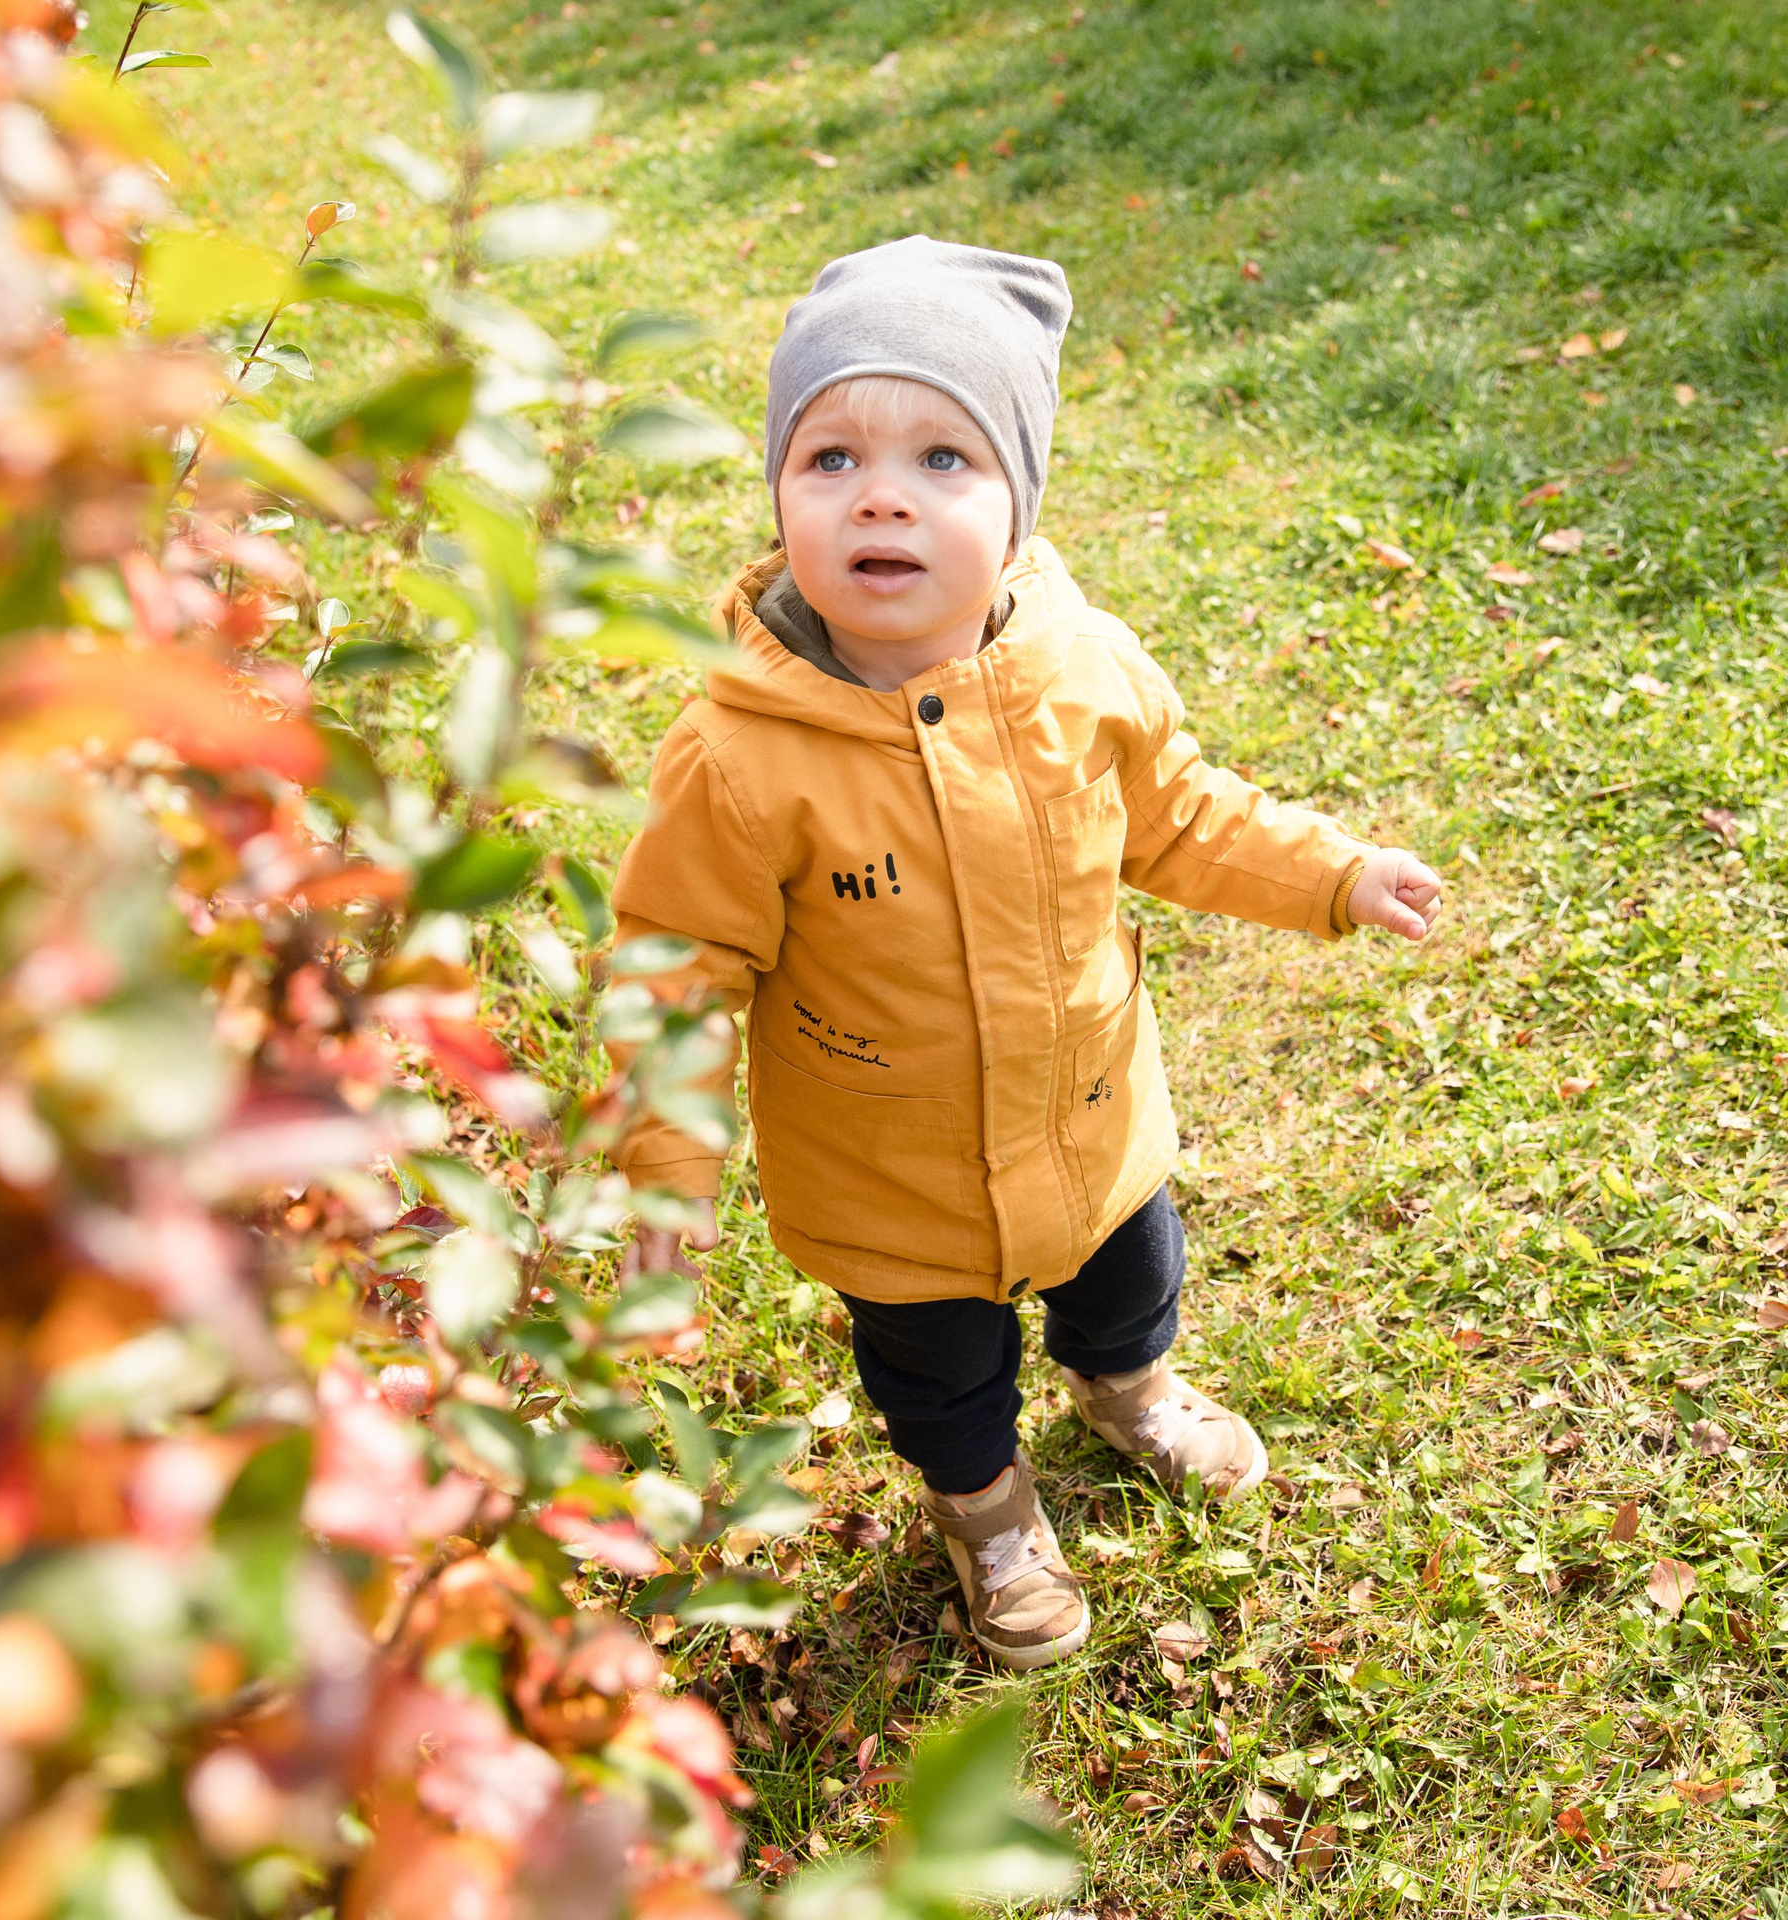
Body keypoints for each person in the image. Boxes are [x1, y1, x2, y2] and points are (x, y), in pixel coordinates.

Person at [610, 236, 1443, 1670]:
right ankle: (986, 1512)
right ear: (781, 497)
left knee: (1131, 1281)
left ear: (1017, 504)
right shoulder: (743, 758)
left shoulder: (1082, 668)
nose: (884, 493)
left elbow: (1180, 816)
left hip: (1091, 1114)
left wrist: (1334, 873)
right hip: (892, 1168)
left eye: (946, 457)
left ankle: (1132, 1393)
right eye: (832, 460)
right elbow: (679, 966)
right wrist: (667, 1171)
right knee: (939, 1377)